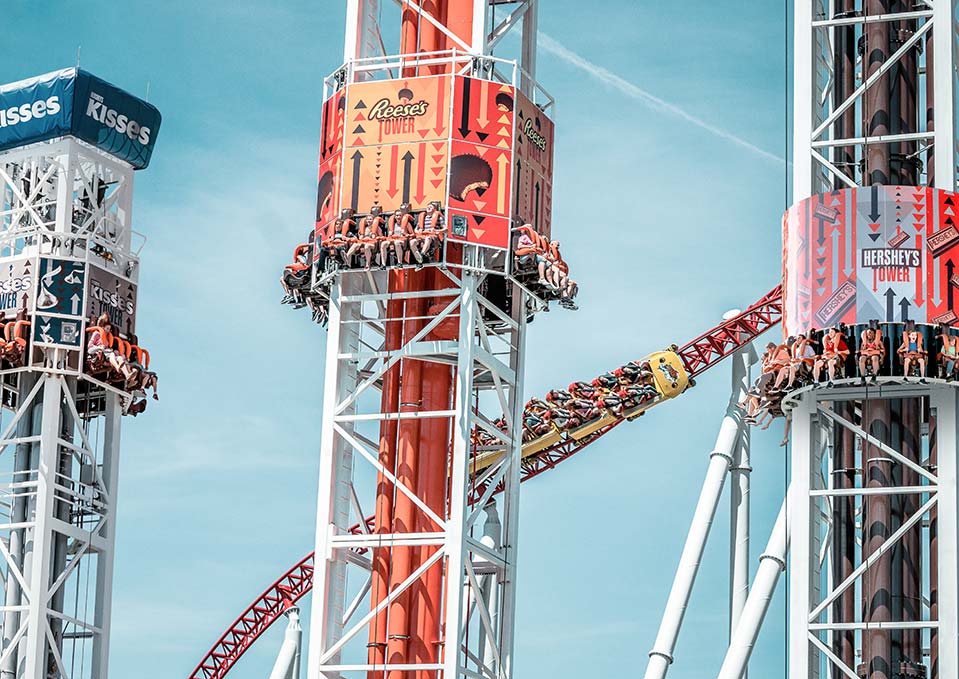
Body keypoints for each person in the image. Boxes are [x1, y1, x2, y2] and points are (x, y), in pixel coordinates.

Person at [410, 202, 444, 269]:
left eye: (431, 207)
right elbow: (415, 229)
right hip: (423, 236)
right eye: (428, 206)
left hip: (433, 238)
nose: (428, 208)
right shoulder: (423, 218)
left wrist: (436, 231)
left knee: (428, 238)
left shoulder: (439, 217)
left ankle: (422, 254)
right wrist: (418, 231)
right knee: (412, 242)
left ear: (435, 209)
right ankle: (419, 260)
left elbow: (445, 229)